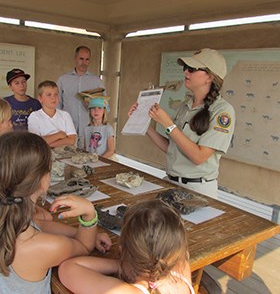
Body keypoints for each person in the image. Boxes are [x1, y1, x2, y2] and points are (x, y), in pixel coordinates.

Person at [0, 132, 111, 293]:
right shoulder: (43, 246)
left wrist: (76, 233)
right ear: (41, 180)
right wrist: (89, 214)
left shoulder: (11, 217)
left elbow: (40, 224)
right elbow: (84, 246)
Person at [129, 48, 235, 198]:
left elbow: (199, 157)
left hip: (198, 191)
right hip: (171, 183)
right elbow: (171, 148)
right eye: (185, 68)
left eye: (191, 69)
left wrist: (168, 124)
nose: (186, 72)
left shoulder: (223, 112)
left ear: (209, 77)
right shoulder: (185, 106)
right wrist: (143, 123)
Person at [58, 199, 195, 294]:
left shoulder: (124, 291)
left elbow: (68, 268)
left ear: (122, 250)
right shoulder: (182, 271)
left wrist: (121, 264)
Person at [57, 45, 106, 149]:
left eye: (87, 59)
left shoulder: (96, 81)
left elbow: (106, 107)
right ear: (75, 58)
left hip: (89, 130)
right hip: (67, 130)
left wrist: (92, 106)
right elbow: (57, 106)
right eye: (81, 59)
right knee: (66, 158)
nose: (84, 62)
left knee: (88, 160)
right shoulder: (63, 80)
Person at [28, 80, 77, 148]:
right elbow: (36, 142)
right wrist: (59, 135)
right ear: (40, 98)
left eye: (56, 94)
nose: (53, 98)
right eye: (49, 95)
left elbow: (71, 140)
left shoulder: (65, 115)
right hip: (43, 154)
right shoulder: (35, 116)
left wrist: (47, 144)